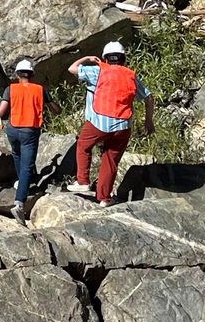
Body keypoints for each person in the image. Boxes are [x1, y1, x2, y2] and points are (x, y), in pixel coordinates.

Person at [65, 40, 152, 206]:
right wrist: (149, 122)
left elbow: (72, 69)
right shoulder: (131, 75)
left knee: (83, 145)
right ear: (123, 59)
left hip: (98, 122)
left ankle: (83, 181)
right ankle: (104, 198)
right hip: (123, 126)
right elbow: (148, 97)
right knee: (110, 161)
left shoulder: (97, 71)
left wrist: (87, 58)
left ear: (105, 59)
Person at [0, 58, 46, 222]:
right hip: (30, 130)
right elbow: (56, 109)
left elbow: (0, 114)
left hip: (13, 129)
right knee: (27, 165)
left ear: (17, 74)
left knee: (17, 155)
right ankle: (19, 203)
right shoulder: (39, 89)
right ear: (32, 74)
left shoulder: (11, 89)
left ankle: (21, 182)